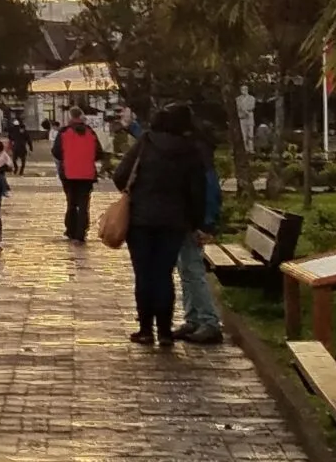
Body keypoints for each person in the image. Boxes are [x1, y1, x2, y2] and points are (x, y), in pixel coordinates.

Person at [113, 103, 210, 347]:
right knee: (164, 274)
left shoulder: (145, 143)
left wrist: (136, 193)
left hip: (140, 221)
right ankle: (165, 332)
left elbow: (120, 174)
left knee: (144, 274)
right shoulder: (191, 151)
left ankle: (146, 330)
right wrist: (195, 222)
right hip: (173, 223)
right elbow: (198, 192)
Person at [176, 141, 227, 345]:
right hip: (188, 222)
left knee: (193, 271)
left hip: (195, 224)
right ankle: (194, 318)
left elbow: (211, 197)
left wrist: (206, 225)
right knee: (186, 271)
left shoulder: (202, 169)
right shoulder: (198, 163)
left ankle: (209, 321)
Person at [52, 112, 101, 241]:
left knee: (71, 203)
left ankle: (70, 230)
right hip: (87, 174)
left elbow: (56, 151)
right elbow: (99, 152)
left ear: (70, 118)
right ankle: (81, 233)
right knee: (84, 204)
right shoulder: (90, 132)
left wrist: (68, 158)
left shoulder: (64, 132)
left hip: (69, 173)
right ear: (82, 118)